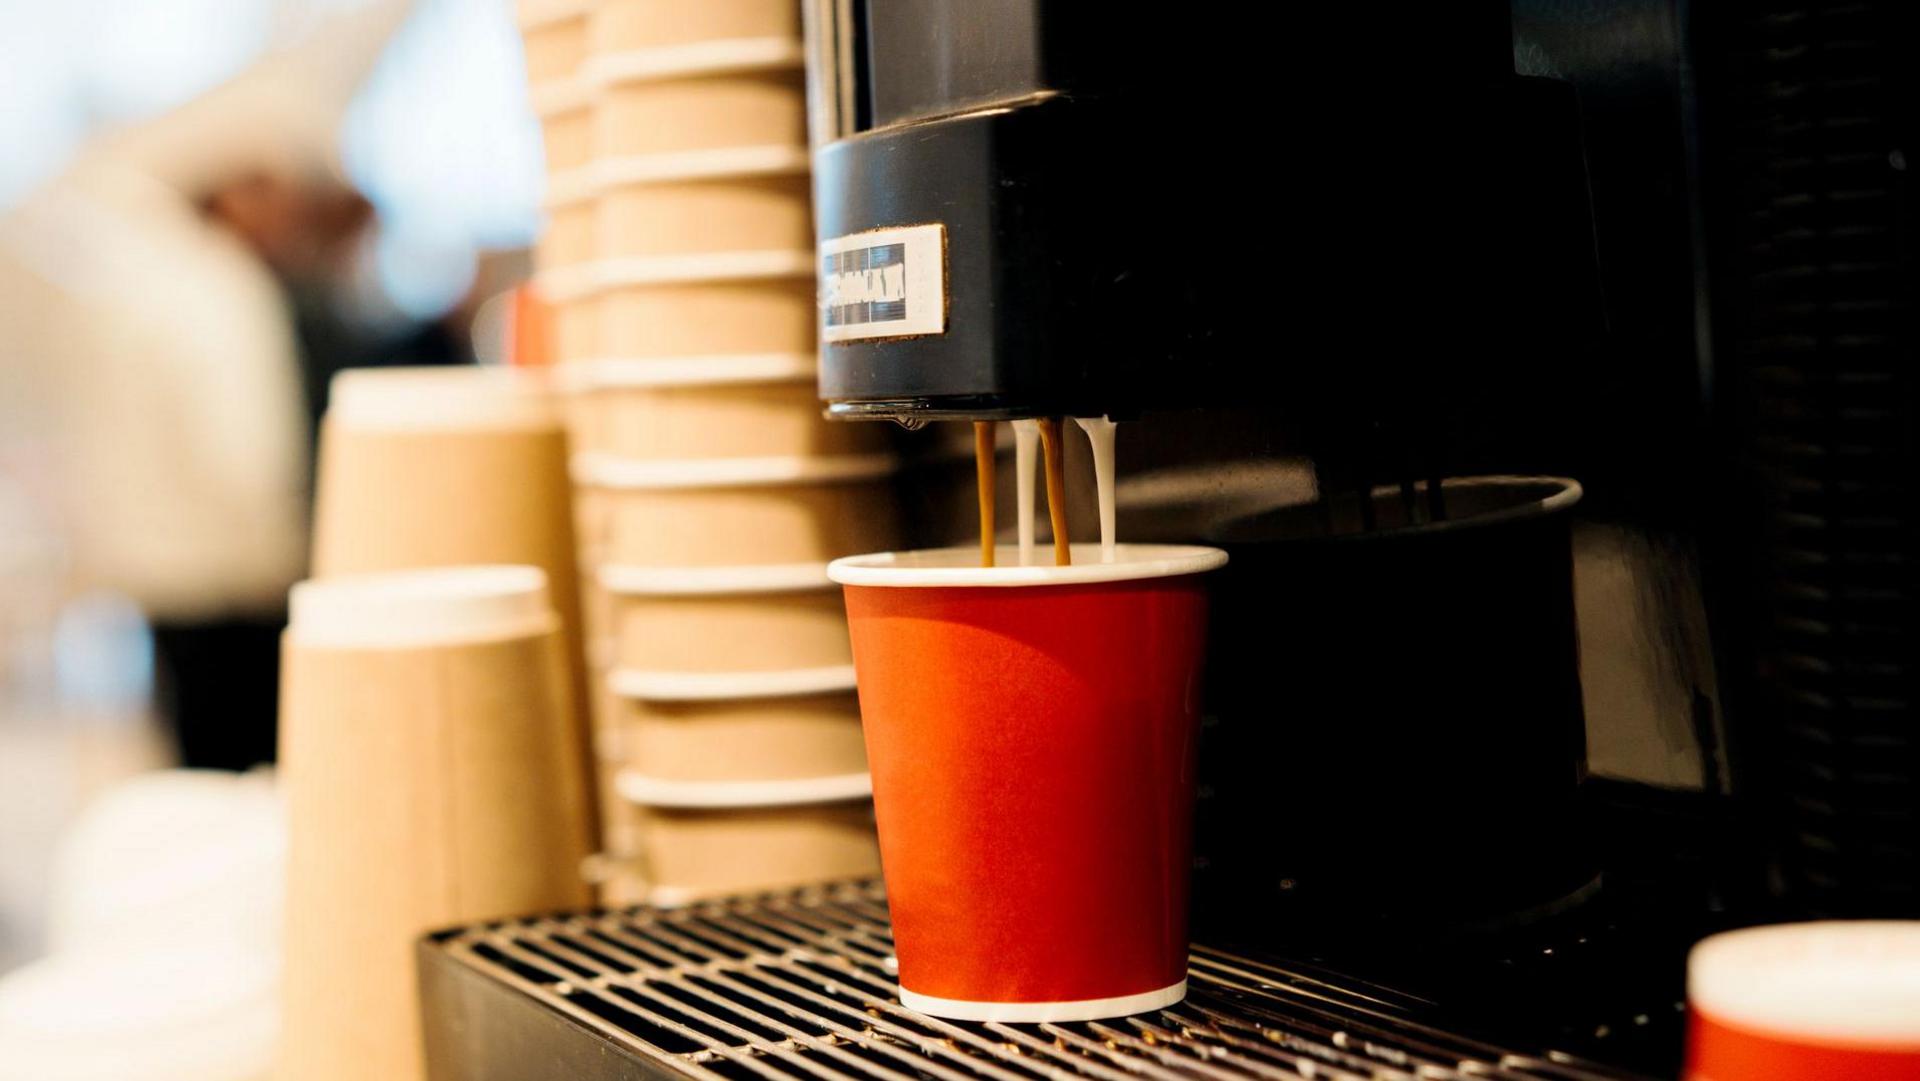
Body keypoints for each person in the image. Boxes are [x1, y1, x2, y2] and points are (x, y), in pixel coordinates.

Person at [0, 3, 409, 769]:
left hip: (164, 574)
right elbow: (248, 444)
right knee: (245, 764)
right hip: (232, 581)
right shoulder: (217, 290)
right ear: (228, 189)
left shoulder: (133, 274)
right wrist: (296, 544)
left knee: (194, 749)